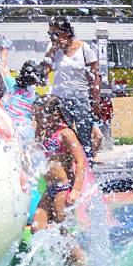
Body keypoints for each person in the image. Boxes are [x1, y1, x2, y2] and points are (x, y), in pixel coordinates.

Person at [31, 97, 89, 264]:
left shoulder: (66, 134)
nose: (37, 120)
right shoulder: (43, 134)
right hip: (50, 189)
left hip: (64, 189)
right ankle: (63, 262)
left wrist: (76, 189)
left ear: (54, 115)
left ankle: (80, 263)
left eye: (39, 116)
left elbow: (80, 161)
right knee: (37, 227)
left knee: (62, 228)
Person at [44, 16, 100, 159]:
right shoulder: (52, 49)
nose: (52, 37)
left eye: (55, 33)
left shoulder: (84, 48)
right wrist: (51, 52)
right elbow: (44, 72)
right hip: (59, 100)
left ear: (66, 32)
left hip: (81, 98)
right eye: (50, 33)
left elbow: (95, 76)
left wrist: (96, 100)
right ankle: (69, 172)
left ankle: (88, 171)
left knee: (84, 138)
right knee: (62, 137)